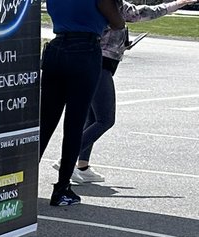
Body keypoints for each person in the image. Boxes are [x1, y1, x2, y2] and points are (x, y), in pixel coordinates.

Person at [64, 0, 191, 184]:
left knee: (92, 118)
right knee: (105, 119)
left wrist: (122, 43)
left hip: (96, 62)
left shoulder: (99, 5)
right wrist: (177, 4)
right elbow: (147, 12)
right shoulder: (113, 5)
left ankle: (82, 165)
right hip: (99, 64)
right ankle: (66, 159)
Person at [39, 0, 125, 207]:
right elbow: (118, 22)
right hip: (85, 50)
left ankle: (23, 181)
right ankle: (61, 189)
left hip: (56, 46)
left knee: (45, 122)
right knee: (75, 124)